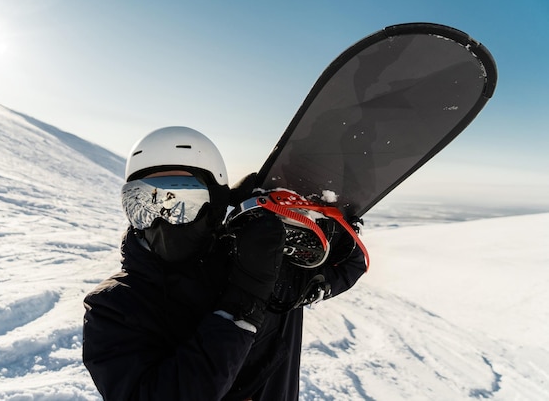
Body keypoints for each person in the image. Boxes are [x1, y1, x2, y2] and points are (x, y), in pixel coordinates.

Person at [83, 126, 367, 400]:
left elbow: (346, 266)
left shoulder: (262, 259)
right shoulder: (114, 307)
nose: (161, 220)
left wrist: (324, 232)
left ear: (216, 203)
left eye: (182, 201)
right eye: (142, 205)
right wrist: (242, 306)